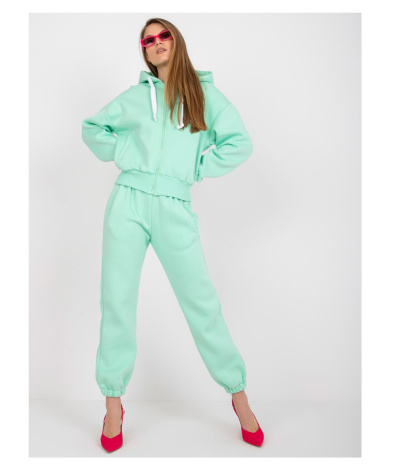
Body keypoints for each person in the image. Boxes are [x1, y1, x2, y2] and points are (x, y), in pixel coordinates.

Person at [82, 17, 264, 451]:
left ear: (176, 41)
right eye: (148, 39)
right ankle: (113, 403)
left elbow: (239, 142)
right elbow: (92, 128)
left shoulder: (204, 95)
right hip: (127, 202)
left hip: (174, 206)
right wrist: (125, 151)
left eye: (163, 35)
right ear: (144, 51)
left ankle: (238, 395)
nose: (157, 42)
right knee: (117, 300)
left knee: (201, 301)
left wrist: (196, 167)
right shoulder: (134, 98)